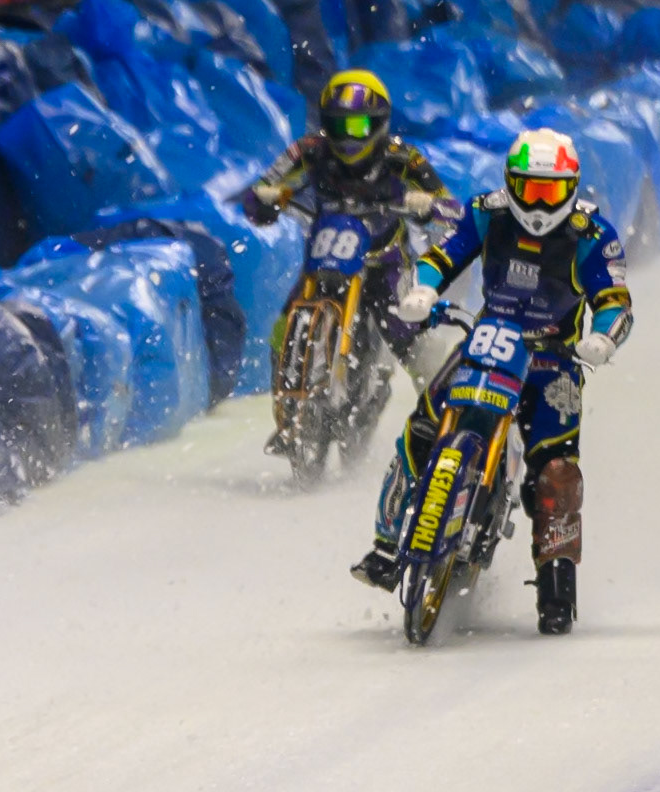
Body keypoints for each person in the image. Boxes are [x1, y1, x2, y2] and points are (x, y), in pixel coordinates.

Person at [350, 128, 634, 635]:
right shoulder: (486, 211)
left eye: (550, 191)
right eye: (530, 188)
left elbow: (615, 300)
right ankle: (386, 544)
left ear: (570, 188)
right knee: (420, 427)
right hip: (488, 339)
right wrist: (423, 290)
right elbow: (442, 255)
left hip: (554, 358)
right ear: (510, 183)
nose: (539, 202)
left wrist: (603, 340)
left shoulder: (593, 235)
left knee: (556, 470)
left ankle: (556, 584)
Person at [243, 68, 462, 455]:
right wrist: (266, 197)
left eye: (359, 126)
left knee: (412, 339)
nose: (348, 136)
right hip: (325, 258)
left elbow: (452, 208)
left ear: (377, 125)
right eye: (338, 125)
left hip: (383, 261)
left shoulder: (403, 157)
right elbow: (262, 187)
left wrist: (425, 204)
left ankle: (449, 421)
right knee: (280, 328)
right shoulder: (307, 149)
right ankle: (287, 416)